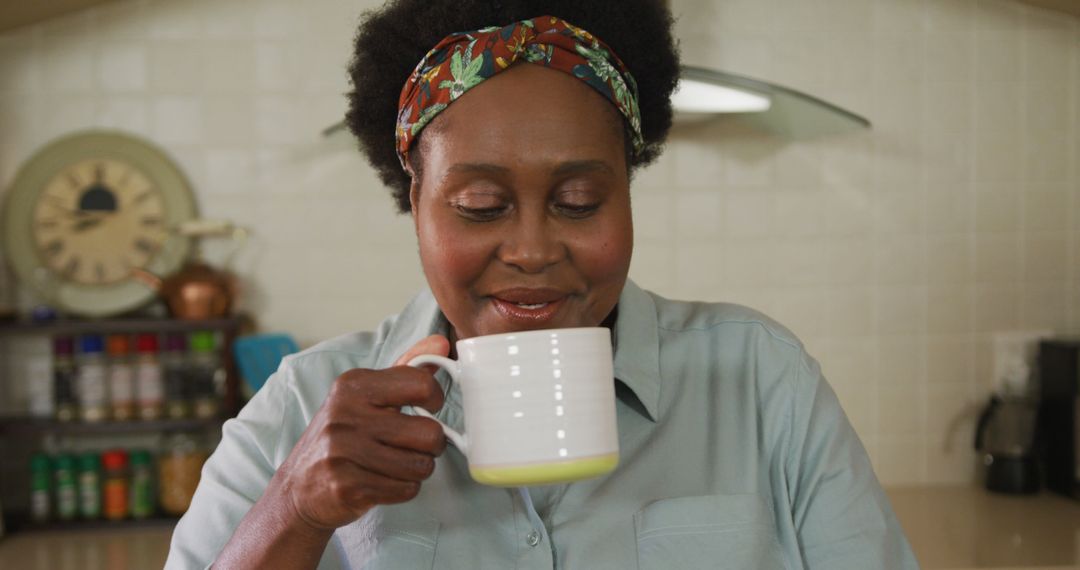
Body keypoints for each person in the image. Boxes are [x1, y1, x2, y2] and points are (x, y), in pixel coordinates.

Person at [166, 1, 919, 568]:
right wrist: (294, 511)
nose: (530, 249)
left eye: (580, 202)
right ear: (415, 204)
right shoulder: (302, 407)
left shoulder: (760, 379)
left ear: (627, 192)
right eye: (480, 207)